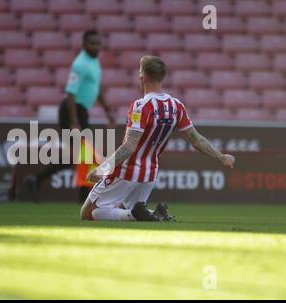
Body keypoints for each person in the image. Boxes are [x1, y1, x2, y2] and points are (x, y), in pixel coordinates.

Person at [80, 55, 236, 221]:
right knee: (125, 211)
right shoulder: (176, 105)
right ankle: (155, 214)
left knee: (88, 213)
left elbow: (130, 145)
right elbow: (196, 140)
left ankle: (140, 214)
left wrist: (103, 169)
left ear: (143, 77)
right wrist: (221, 157)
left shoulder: (141, 106)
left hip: (127, 172)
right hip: (149, 174)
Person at [26, 30, 115, 202]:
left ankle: (36, 180)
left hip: (81, 112)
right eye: (92, 43)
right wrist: (74, 121)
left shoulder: (94, 61)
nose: (96, 47)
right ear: (84, 45)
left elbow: (96, 87)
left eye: (98, 43)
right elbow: (70, 94)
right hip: (71, 112)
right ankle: (85, 199)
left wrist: (107, 110)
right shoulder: (80, 64)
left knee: (76, 157)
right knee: (87, 156)